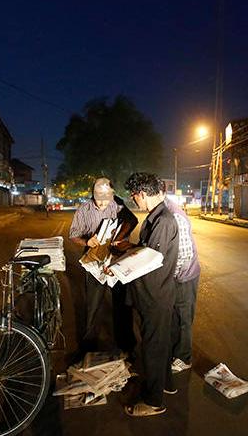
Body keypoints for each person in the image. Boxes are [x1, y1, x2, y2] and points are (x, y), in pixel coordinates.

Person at [115, 172, 178, 417]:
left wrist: (119, 266)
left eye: (134, 196)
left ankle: (154, 401)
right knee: (160, 343)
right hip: (155, 292)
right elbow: (149, 249)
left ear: (142, 194)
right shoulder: (156, 217)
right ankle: (167, 385)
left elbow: (150, 259)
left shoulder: (163, 220)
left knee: (153, 347)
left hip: (155, 294)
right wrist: (130, 248)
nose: (134, 201)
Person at [69, 177, 138, 355]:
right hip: (94, 262)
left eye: (105, 200)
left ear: (112, 196)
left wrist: (120, 238)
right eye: (97, 199)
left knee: (122, 304)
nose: (101, 204)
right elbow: (74, 235)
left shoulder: (119, 206)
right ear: (92, 195)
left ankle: (126, 345)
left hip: (116, 262)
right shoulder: (84, 209)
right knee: (93, 305)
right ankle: (89, 346)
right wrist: (86, 241)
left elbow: (132, 222)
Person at [162, 195, 200, 373]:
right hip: (176, 276)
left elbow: (184, 256)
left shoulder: (173, 214)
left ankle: (184, 358)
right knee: (175, 316)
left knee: (184, 318)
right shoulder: (163, 210)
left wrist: (170, 277)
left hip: (184, 277)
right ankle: (176, 351)